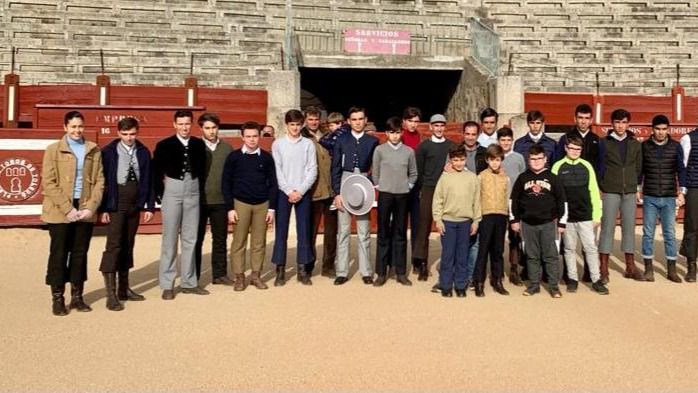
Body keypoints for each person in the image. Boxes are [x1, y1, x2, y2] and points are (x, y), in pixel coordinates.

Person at [42, 111, 105, 315]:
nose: (77, 130)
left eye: (80, 126)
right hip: (60, 209)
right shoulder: (53, 150)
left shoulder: (93, 150)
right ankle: (57, 298)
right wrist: (67, 208)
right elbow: (48, 183)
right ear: (65, 128)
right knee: (59, 253)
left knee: (80, 253)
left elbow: (99, 181)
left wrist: (90, 207)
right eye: (73, 127)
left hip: (84, 206)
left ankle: (77, 297)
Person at [98, 117, 154, 311]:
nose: (129, 138)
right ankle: (110, 294)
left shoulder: (144, 151)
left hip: (135, 202)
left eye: (132, 134)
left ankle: (124, 288)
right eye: (125, 134)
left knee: (128, 243)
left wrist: (148, 206)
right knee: (114, 244)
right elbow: (102, 181)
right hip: (116, 200)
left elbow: (149, 178)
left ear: (137, 132)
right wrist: (104, 208)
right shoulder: (108, 152)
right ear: (118, 133)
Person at [153, 109, 208, 300]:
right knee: (170, 238)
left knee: (191, 237)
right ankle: (167, 284)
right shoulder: (164, 145)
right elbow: (156, 172)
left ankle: (189, 282)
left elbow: (202, 170)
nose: (184, 127)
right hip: (173, 190)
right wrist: (161, 196)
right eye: (181, 124)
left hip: (193, 189)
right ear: (174, 124)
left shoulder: (198, 144)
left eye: (187, 124)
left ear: (191, 124)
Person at [222, 121, 278, 291]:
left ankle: (255, 275)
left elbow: (273, 183)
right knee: (239, 241)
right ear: (242, 137)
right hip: (241, 203)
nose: (252, 139)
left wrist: (271, 208)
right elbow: (225, 182)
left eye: (255, 136)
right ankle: (239, 276)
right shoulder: (234, 157)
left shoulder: (267, 157)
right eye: (248, 136)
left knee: (259, 242)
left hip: (262, 204)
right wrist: (230, 208)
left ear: (259, 136)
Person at [551, 135, 609, 295]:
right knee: (569, 249)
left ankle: (596, 280)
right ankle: (572, 279)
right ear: (566, 148)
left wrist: (597, 215)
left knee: (590, 248)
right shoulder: (557, 166)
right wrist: (557, 216)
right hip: (567, 217)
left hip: (586, 215)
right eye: (572, 148)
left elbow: (594, 191)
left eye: (578, 149)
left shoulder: (587, 166)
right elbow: (554, 194)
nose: (575, 151)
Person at [510, 145, 568, 298]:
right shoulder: (523, 178)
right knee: (531, 255)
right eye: (533, 159)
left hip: (549, 223)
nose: (536, 162)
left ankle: (554, 286)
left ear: (545, 159)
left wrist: (562, 222)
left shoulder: (553, 178)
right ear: (528, 160)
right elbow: (513, 200)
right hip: (527, 223)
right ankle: (534, 285)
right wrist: (514, 219)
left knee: (551, 256)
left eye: (539, 158)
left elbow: (562, 201)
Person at [332, 106, 380, 285]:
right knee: (343, 230)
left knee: (364, 230)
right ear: (349, 121)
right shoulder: (341, 140)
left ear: (365, 120)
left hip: (364, 181)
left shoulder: (372, 141)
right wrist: (337, 193)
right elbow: (335, 167)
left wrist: (373, 186)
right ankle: (342, 271)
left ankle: (366, 271)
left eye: (361, 119)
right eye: (354, 119)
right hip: (345, 179)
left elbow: (375, 167)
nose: (358, 122)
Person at [555, 103, 601, 283]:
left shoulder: (596, 139)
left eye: (586, 118)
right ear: (575, 119)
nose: (583, 121)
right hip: (568, 201)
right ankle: (570, 276)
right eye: (580, 118)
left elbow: (600, 165)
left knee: (589, 245)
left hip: (586, 200)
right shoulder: (565, 139)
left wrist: (597, 210)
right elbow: (557, 165)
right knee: (569, 246)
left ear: (591, 120)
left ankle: (593, 275)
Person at [271, 109, 318, 286]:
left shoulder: (308, 144)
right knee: (281, 231)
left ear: (302, 124)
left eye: (298, 125)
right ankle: (280, 269)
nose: (295, 128)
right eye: (292, 125)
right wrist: (289, 190)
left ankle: (302, 269)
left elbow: (312, 169)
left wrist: (301, 190)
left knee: (304, 230)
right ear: (286, 125)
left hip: (302, 192)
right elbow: (278, 170)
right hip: (284, 192)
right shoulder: (278, 144)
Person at [598, 108, 644, 283]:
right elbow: (600, 166)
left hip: (630, 190)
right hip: (610, 189)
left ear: (628, 124)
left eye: (624, 122)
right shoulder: (604, 143)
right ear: (612, 124)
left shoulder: (635, 143)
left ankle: (630, 267)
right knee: (607, 227)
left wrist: (635, 184)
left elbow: (638, 167)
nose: (620, 126)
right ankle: (603, 268)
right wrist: (603, 185)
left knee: (629, 228)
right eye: (617, 122)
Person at [640, 115, 686, 283]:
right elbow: (640, 169)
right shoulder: (644, 146)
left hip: (669, 196)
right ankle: (648, 269)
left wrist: (682, 191)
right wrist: (639, 188)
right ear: (652, 129)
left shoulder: (675, 146)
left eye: (663, 129)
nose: (660, 132)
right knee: (648, 233)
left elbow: (681, 169)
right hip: (650, 195)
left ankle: (671, 270)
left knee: (669, 233)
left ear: (668, 129)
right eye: (658, 129)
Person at [373, 117, 418, 286]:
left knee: (400, 233)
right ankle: (382, 272)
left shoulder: (408, 152)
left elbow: (413, 173)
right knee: (383, 233)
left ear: (401, 132)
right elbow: (375, 172)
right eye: (391, 132)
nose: (395, 136)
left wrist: (408, 186)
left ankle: (400, 272)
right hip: (385, 195)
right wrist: (379, 185)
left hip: (402, 195)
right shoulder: (380, 150)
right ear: (386, 133)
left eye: (398, 132)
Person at [432, 144, 481, 297]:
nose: (459, 163)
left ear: (465, 159)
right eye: (455, 160)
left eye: (461, 160)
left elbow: (476, 200)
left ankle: (461, 285)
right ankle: (446, 285)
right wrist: (438, 220)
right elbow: (438, 199)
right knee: (448, 255)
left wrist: (476, 221)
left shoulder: (472, 177)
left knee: (462, 255)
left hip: (465, 222)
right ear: (451, 161)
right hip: (448, 221)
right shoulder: (445, 178)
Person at [412, 114, 455, 280]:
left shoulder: (452, 145)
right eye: (435, 125)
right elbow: (419, 170)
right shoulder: (424, 147)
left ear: (445, 127)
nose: (439, 128)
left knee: (448, 226)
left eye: (441, 125)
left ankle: (448, 264)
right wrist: (424, 187)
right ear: (430, 127)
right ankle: (422, 263)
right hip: (429, 188)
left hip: (447, 188)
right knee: (424, 227)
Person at [194, 113, 234, 285]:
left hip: (220, 200)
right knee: (196, 239)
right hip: (198, 201)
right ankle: (192, 276)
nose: (211, 131)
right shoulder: (195, 147)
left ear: (218, 128)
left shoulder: (227, 148)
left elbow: (232, 176)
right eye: (207, 128)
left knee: (220, 239)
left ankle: (219, 274)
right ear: (201, 129)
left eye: (214, 128)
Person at [301, 106, 337, 278]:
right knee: (311, 231)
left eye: (316, 119)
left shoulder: (329, 135)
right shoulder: (301, 137)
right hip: (313, 190)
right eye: (310, 119)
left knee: (331, 232)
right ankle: (308, 265)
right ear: (305, 120)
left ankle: (328, 266)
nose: (314, 122)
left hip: (330, 190)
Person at [473, 144, 510, 297]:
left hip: (500, 215)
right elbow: (476, 198)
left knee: (498, 250)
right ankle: (479, 282)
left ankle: (498, 280)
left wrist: (507, 215)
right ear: (487, 160)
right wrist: (477, 217)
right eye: (492, 160)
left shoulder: (505, 177)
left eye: (498, 160)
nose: (495, 163)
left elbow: (507, 197)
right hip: (486, 216)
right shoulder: (481, 176)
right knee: (483, 250)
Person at [497, 127, 526, 286]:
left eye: (508, 140)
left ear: (512, 141)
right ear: (498, 141)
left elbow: (523, 178)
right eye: (503, 140)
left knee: (515, 237)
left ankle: (514, 269)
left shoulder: (519, 158)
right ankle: (498, 269)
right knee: (498, 237)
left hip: (515, 202)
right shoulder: (495, 157)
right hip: (499, 203)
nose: (506, 143)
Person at [400, 107, 423, 255]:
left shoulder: (419, 137)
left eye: (416, 121)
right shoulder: (399, 137)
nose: (413, 124)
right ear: (404, 122)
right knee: (400, 225)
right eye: (410, 121)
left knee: (417, 224)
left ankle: (416, 259)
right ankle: (398, 261)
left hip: (416, 186)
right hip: (401, 185)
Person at [680, 121, 698, 283]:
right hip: (694, 187)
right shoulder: (688, 138)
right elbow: (683, 166)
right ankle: (691, 265)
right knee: (692, 225)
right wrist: (682, 191)